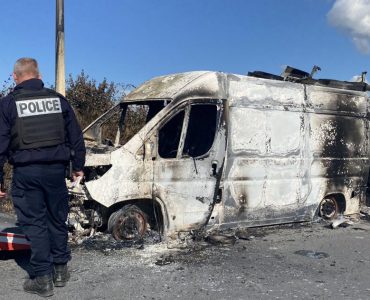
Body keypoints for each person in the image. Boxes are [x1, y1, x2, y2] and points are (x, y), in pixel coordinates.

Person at [0, 58, 86, 297]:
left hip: (27, 173)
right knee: (56, 218)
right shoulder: (58, 100)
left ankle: (42, 278)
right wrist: (78, 166)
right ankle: (60, 270)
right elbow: (75, 136)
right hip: (56, 172)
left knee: (34, 223)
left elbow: (0, 144)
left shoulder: (8, 104)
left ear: (15, 77)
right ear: (38, 75)